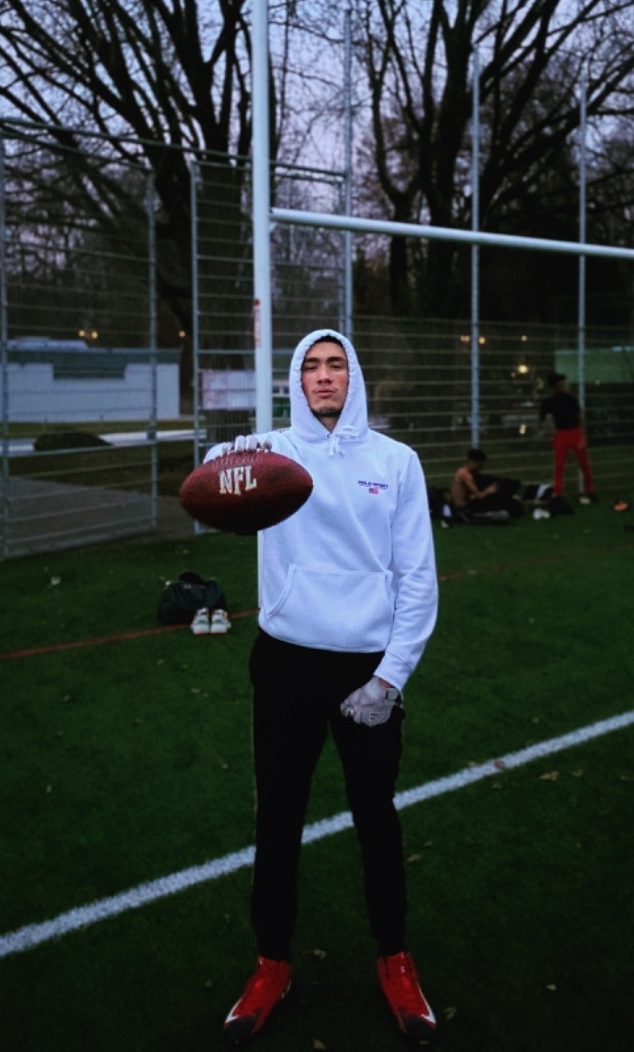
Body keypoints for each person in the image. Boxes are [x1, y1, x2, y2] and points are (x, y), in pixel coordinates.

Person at [207, 330, 438, 1046]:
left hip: (365, 669)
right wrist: (224, 458)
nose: (324, 376)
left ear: (354, 375)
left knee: (377, 820)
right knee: (277, 821)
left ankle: (395, 960)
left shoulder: (395, 462)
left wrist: (389, 677)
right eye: (310, 366)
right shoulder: (271, 456)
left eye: (336, 364)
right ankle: (271, 964)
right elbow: (209, 483)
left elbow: (418, 579)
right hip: (285, 664)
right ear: (296, 381)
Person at [539, 372, 597, 503]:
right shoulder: (549, 402)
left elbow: (580, 417)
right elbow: (544, 419)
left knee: (584, 464)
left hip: (574, 432)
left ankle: (590, 490)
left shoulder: (571, 400)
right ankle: (558, 492)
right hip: (561, 433)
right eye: (561, 385)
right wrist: (550, 431)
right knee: (559, 466)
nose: (564, 387)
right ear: (555, 387)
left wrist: (583, 437)